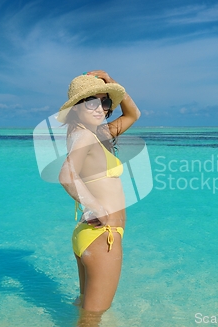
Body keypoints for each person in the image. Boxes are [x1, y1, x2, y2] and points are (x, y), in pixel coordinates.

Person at [57, 71, 140, 318]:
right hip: (103, 237)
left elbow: (133, 114)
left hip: (92, 235)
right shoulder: (84, 136)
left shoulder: (96, 134)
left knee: (84, 309)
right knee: (92, 318)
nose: (100, 108)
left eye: (105, 102)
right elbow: (66, 175)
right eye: (91, 101)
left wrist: (111, 80)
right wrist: (94, 207)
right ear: (76, 107)